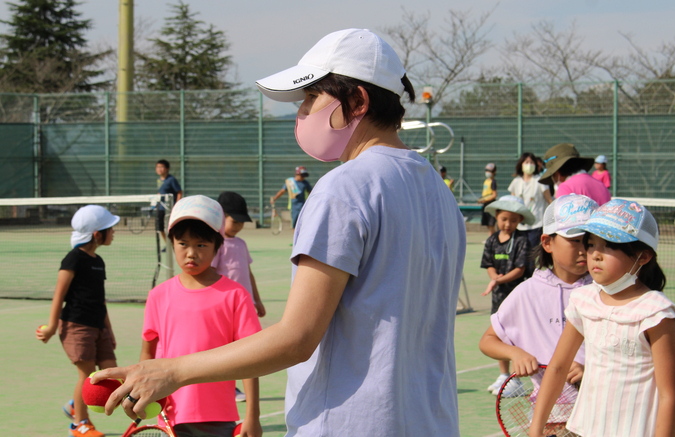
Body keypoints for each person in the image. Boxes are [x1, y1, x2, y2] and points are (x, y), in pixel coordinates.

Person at [93, 28, 466, 437]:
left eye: (311, 98)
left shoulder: (345, 188)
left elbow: (297, 338)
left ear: (357, 100)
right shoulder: (438, 191)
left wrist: (171, 370)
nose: (302, 112)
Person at [529, 199, 675, 437]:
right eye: (591, 244)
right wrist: (535, 428)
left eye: (609, 246)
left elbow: (670, 395)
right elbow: (558, 367)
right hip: (586, 429)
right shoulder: (584, 300)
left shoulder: (656, 312)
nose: (594, 255)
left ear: (642, 257)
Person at [141, 195, 262, 437]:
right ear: (172, 243)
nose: (191, 253)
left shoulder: (236, 295)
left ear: (218, 246)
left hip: (220, 417)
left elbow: (250, 360)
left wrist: (252, 415)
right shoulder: (158, 296)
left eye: (201, 245)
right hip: (170, 416)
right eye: (183, 243)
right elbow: (148, 353)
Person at [478, 194, 598, 397]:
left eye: (592, 242)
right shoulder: (528, 292)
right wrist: (515, 353)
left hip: (599, 411)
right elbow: (488, 340)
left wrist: (590, 370)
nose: (584, 250)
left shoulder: (607, 291)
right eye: (575, 240)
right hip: (550, 416)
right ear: (547, 242)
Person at [36, 205, 120, 437]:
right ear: (97, 234)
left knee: (109, 372)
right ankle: (79, 423)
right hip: (76, 325)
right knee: (87, 376)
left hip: (98, 326)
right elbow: (59, 293)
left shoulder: (98, 261)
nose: (114, 232)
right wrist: (52, 326)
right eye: (110, 229)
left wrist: (109, 330)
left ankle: (75, 405)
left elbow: (99, 300)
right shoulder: (73, 259)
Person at [212, 191, 267, 403]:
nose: (238, 227)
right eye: (234, 221)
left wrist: (257, 299)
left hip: (245, 307)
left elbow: (248, 273)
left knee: (246, 348)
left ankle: (239, 385)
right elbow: (213, 275)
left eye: (241, 223)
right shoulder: (217, 244)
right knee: (226, 348)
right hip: (224, 307)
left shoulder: (241, 244)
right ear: (221, 217)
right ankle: (229, 387)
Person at [480, 195, 534, 390]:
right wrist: (495, 278)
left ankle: (516, 378)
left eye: (513, 220)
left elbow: (519, 269)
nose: (508, 224)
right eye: (504, 219)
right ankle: (504, 375)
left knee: (516, 335)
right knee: (499, 334)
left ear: (520, 220)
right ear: (496, 216)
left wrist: (498, 280)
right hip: (498, 296)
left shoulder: (522, 240)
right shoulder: (492, 240)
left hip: (518, 295)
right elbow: (489, 265)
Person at [508, 152, 553, 258]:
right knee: (520, 253)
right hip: (520, 224)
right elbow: (512, 203)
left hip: (536, 224)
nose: (529, 164)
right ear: (521, 164)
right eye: (526, 162)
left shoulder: (540, 180)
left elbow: (549, 200)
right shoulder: (516, 182)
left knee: (531, 253)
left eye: (531, 162)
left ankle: (531, 273)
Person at [539, 143, 610, 206]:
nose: (554, 180)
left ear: (557, 172)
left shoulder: (565, 188)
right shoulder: (602, 186)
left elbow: (563, 219)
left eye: (552, 175)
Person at [155, 159, 183, 244]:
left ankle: (174, 244)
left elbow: (179, 192)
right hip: (160, 207)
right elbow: (161, 192)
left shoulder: (171, 180)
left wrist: (176, 205)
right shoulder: (159, 180)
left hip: (170, 208)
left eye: (161, 167)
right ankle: (168, 244)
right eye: (157, 167)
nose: (159, 169)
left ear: (167, 168)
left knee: (171, 228)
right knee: (159, 228)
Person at [477, 162, 498, 236]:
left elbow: (494, 195)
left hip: (490, 204)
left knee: (491, 224)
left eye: (490, 171)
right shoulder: (486, 181)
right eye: (487, 170)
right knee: (487, 224)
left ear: (494, 172)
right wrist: (481, 200)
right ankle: (493, 238)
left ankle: (492, 238)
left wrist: (485, 200)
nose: (488, 172)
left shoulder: (493, 182)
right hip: (485, 204)